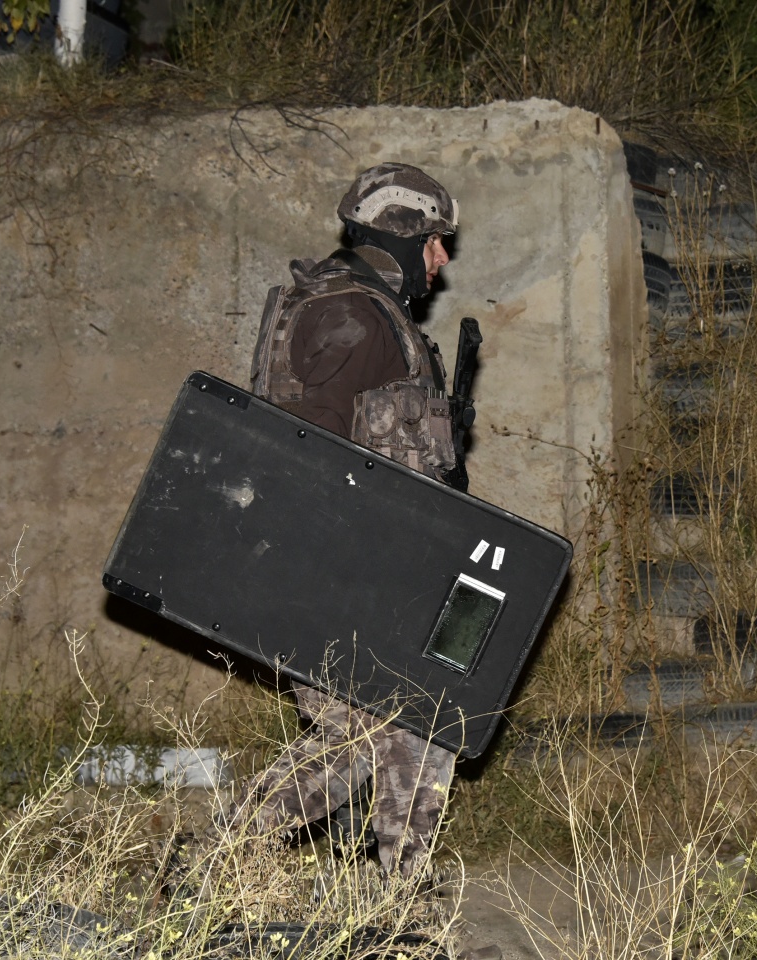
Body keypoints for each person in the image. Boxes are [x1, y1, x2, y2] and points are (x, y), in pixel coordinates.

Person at [237, 162, 462, 878]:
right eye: (433, 241)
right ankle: (216, 872)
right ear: (399, 234)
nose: (441, 259)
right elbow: (306, 453)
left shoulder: (365, 312)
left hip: (357, 566)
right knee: (368, 737)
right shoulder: (348, 316)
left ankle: (397, 906)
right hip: (334, 571)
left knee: (402, 730)